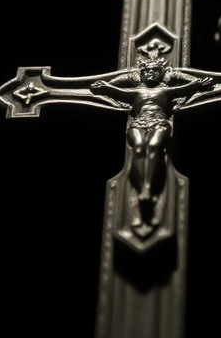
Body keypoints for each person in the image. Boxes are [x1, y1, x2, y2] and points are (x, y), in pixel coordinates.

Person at [91, 59, 213, 229]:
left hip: (159, 123)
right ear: (141, 74)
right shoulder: (137, 92)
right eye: (147, 71)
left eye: (155, 70)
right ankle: (142, 189)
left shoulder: (165, 90)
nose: (150, 73)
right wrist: (103, 87)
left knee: (155, 148)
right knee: (139, 148)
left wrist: (199, 84)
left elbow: (185, 89)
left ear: (162, 74)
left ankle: (147, 189)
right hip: (138, 123)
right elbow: (116, 92)